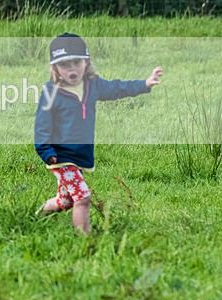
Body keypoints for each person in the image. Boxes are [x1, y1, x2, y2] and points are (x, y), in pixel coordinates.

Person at [34, 33, 162, 233]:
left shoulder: (93, 85)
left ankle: (37, 216)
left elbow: (117, 88)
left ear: (87, 62)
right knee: (83, 198)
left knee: (65, 200)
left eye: (77, 62)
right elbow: (41, 126)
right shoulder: (51, 92)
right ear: (55, 68)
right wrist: (46, 152)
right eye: (65, 65)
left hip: (81, 156)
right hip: (60, 157)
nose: (72, 69)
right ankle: (83, 241)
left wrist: (144, 84)